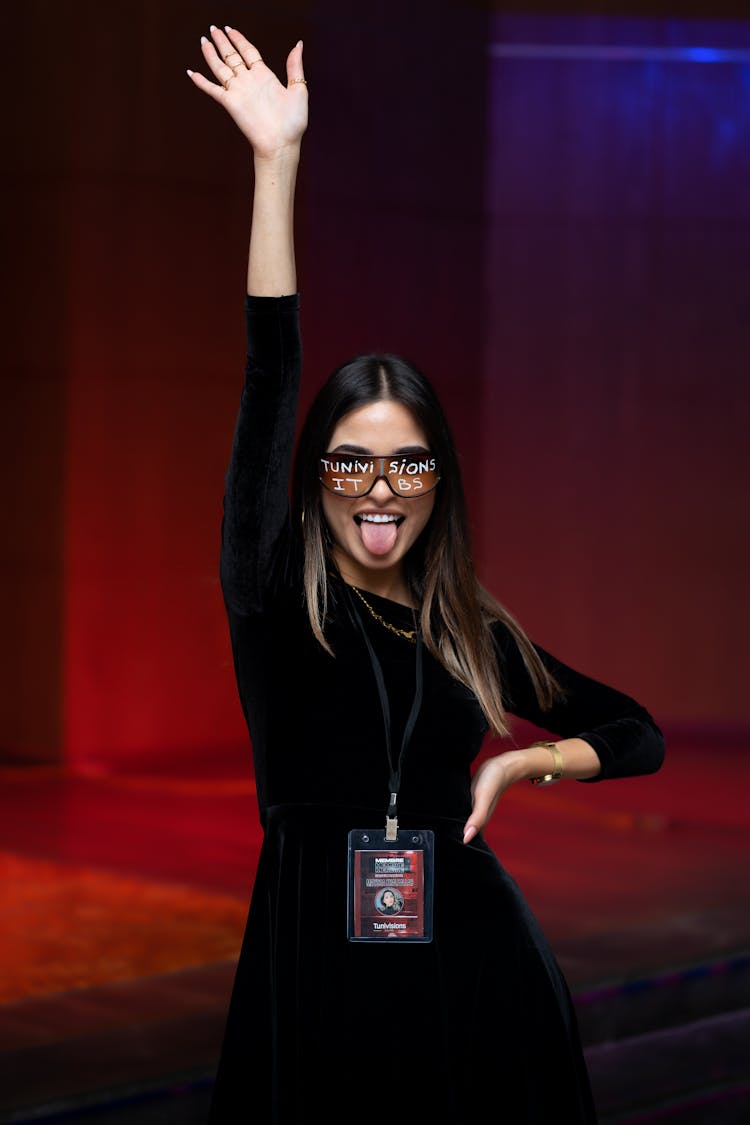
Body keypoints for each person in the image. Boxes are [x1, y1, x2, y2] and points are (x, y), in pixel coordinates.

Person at [188, 24, 665, 1125]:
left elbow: (636, 731)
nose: (380, 485)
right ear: (315, 483)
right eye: (350, 462)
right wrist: (277, 165)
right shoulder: (268, 595)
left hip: (475, 977)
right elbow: (272, 373)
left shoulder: (465, 631)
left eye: (408, 461)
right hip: (319, 971)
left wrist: (527, 765)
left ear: (438, 481)